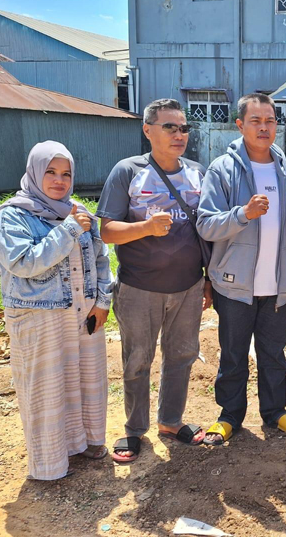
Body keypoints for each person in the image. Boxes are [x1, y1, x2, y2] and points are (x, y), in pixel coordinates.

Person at [0, 141, 112, 480]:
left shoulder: (79, 211)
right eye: (51, 172)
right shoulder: (13, 216)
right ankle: (50, 464)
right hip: (39, 318)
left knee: (85, 381)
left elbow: (102, 259)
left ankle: (87, 442)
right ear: (34, 173)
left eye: (66, 174)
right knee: (47, 388)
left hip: (83, 314)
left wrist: (103, 301)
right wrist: (69, 230)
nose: (59, 181)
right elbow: (24, 262)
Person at [98, 98, 210, 462]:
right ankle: (134, 430)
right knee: (137, 360)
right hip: (139, 288)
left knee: (182, 356)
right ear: (148, 130)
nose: (179, 134)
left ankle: (171, 422)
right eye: (170, 127)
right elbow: (107, 231)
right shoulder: (128, 171)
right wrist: (145, 227)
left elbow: (207, 230)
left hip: (189, 286)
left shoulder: (198, 172)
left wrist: (208, 280)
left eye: (184, 128)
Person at [196, 93, 286, 445]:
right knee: (233, 355)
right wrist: (243, 214)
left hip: (278, 287)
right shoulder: (222, 170)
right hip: (235, 285)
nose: (264, 127)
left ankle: (275, 413)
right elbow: (205, 224)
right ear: (240, 125)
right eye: (256, 121)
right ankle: (229, 416)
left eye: (270, 120)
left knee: (273, 354)